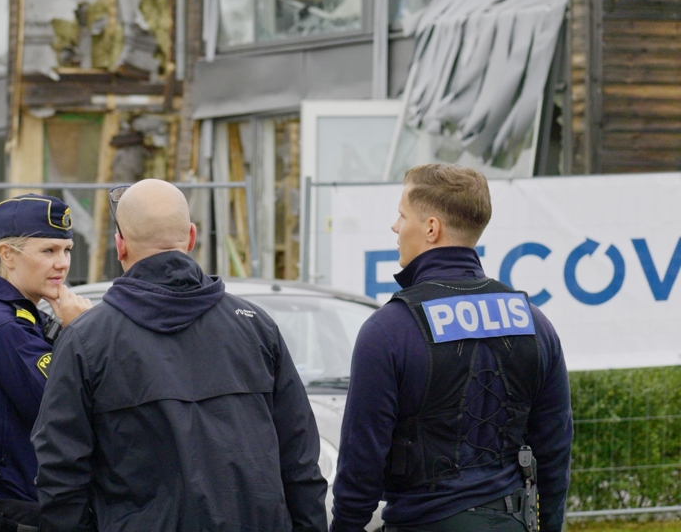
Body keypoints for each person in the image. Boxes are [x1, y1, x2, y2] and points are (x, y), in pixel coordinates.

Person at [32, 179, 328, 532]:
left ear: (120, 245)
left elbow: (60, 475)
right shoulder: (256, 328)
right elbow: (301, 461)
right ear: (191, 237)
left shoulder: (86, 340)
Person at [329, 164, 572, 532]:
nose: (395, 227)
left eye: (402, 214)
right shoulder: (534, 324)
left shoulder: (388, 331)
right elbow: (555, 448)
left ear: (431, 228)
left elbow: (360, 466)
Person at [0, 194, 93, 532]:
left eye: (66, 250)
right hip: (10, 514)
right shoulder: (4, 326)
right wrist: (76, 334)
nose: (62, 263)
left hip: (9, 507)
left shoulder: (16, 313)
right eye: (48, 251)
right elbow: (64, 412)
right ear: (7, 255)